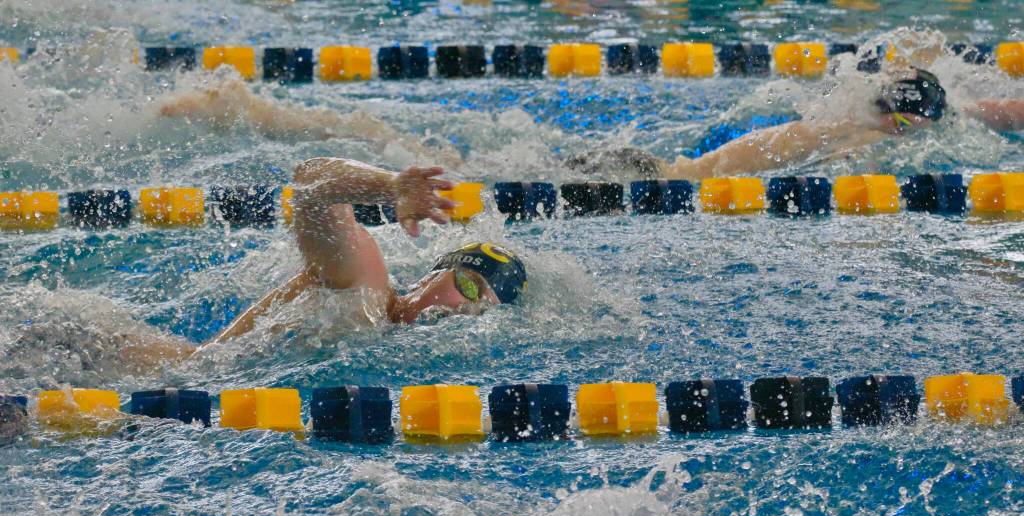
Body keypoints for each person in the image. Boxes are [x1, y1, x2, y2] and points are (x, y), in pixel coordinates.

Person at [118, 157, 528, 367]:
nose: (468, 310)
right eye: (470, 287)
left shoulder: (388, 335)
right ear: (433, 275)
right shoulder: (364, 286)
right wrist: (388, 186)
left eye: (483, 308)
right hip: (131, 361)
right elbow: (310, 181)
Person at [569, 67, 1024, 181]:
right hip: (700, 178)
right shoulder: (863, 134)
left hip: (697, 164)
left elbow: (989, 108)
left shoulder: (853, 115)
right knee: (673, 176)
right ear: (900, 119)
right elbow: (842, 164)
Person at [157, 78, 464, 168]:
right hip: (340, 130)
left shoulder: (257, 120)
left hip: (338, 132)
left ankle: (443, 162)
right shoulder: (256, 118)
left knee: (358, 134)